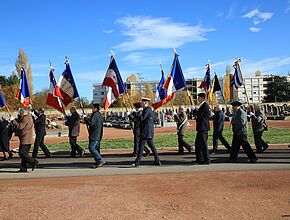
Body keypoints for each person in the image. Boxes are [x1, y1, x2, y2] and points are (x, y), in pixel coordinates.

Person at [131, 97, 161, 167]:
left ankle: (137, 162)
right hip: (148, 132)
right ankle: (157, 160)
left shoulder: (148, 110)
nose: (141, 103)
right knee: (152, 148)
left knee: (141, 147)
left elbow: (142, 118)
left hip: (146, 132)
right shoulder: (147, 109)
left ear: (145, 103)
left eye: (142, 102)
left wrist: (134, 114)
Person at [10, 108, 39, 172]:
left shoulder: (26, 118)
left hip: (26, 138)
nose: (19, 114)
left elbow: (20, 126)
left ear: (23, 112)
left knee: (22, 153)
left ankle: (33, 161)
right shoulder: (27, 117)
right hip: (26, 138)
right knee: (24, 153)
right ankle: (23, 168)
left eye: (20, 112)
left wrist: (13, 121)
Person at [191, 93, 210, 164]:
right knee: (198, 144)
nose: (198, 99)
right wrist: (194, 110)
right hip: (200, 128)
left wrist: (194, 109)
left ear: (202, 98)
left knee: (203, 144)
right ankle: (199, 159)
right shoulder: (202, 106)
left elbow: (199, 115)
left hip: (203, 128)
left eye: (199, 98)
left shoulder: (205, 105)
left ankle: (206, 159)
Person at [84, 103, 105, 168]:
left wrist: (86, 118)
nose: (91, 109)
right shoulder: (99, 115)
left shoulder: (95, 115)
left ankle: (100, 160)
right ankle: (98, 161)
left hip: (94, 134)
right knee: (96, 148)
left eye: (92, 108)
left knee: (91, 148)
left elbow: (91, 123)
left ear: (95, 108)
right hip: (98, 134)